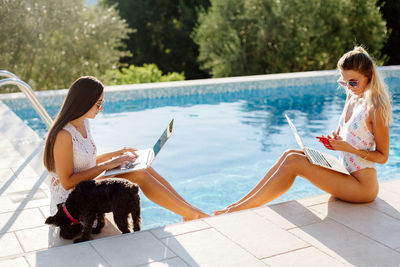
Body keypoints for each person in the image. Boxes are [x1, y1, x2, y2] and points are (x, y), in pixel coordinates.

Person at [215, 46, 392, 215]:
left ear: (369, 76)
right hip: (344, 172)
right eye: (344, 83)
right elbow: (348, 136)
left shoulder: (376, 107)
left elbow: (383, 157)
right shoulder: (352, 98)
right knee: (290, 154)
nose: (349, 88)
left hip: (362, 186)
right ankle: (236, 205)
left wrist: (349, 149)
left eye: (353, 82)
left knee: (294, 162)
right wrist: (335, 141)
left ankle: (236, 211)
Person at [43, 76, 209, 221]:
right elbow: (67, 183)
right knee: (138, 174)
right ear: (84, 102)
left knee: (142, 166)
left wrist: (118, 154)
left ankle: (188, 210)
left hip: (86, 189)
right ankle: (193, 214)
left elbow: (86, 161)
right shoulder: (63, 135)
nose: (101, 109)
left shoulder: (83, 123)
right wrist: (108, 165)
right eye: (98, 104)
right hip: (72, 203)